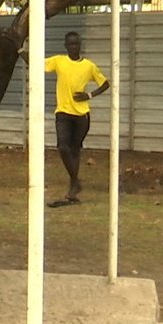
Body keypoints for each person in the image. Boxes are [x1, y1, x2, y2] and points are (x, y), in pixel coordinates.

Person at [44, 31, 110, 207]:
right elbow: (37, 64)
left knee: (75, 150)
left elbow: (105, 83)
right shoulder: (59, 61)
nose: (74, 46)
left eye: (76, 43)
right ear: (66, 46)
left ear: (80, 45)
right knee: (62, 147)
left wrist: (89, 95)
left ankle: (73, 188)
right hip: (63, 112)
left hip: (82, 115)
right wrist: (20, 50)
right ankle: (75, 180)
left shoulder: (88, 66)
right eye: (71, 44)